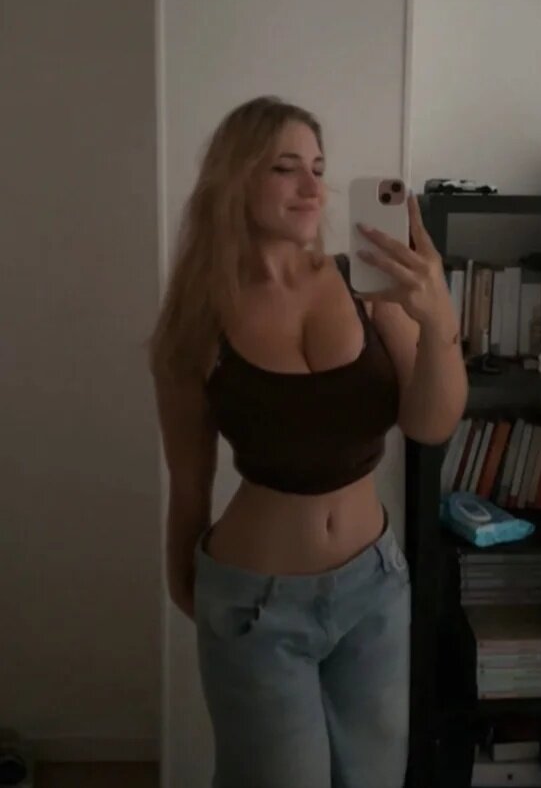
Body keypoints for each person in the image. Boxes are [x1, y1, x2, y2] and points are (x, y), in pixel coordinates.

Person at [148, 96, 468, 788]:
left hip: (374, 590)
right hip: (255, 604)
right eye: (285, 168)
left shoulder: (366, 285)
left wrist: (438, 320)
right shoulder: (196, 323)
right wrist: (196, 596)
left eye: (318, 169)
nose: (312, 187)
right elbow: (189, 483)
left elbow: (430, 423)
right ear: (235, 178)